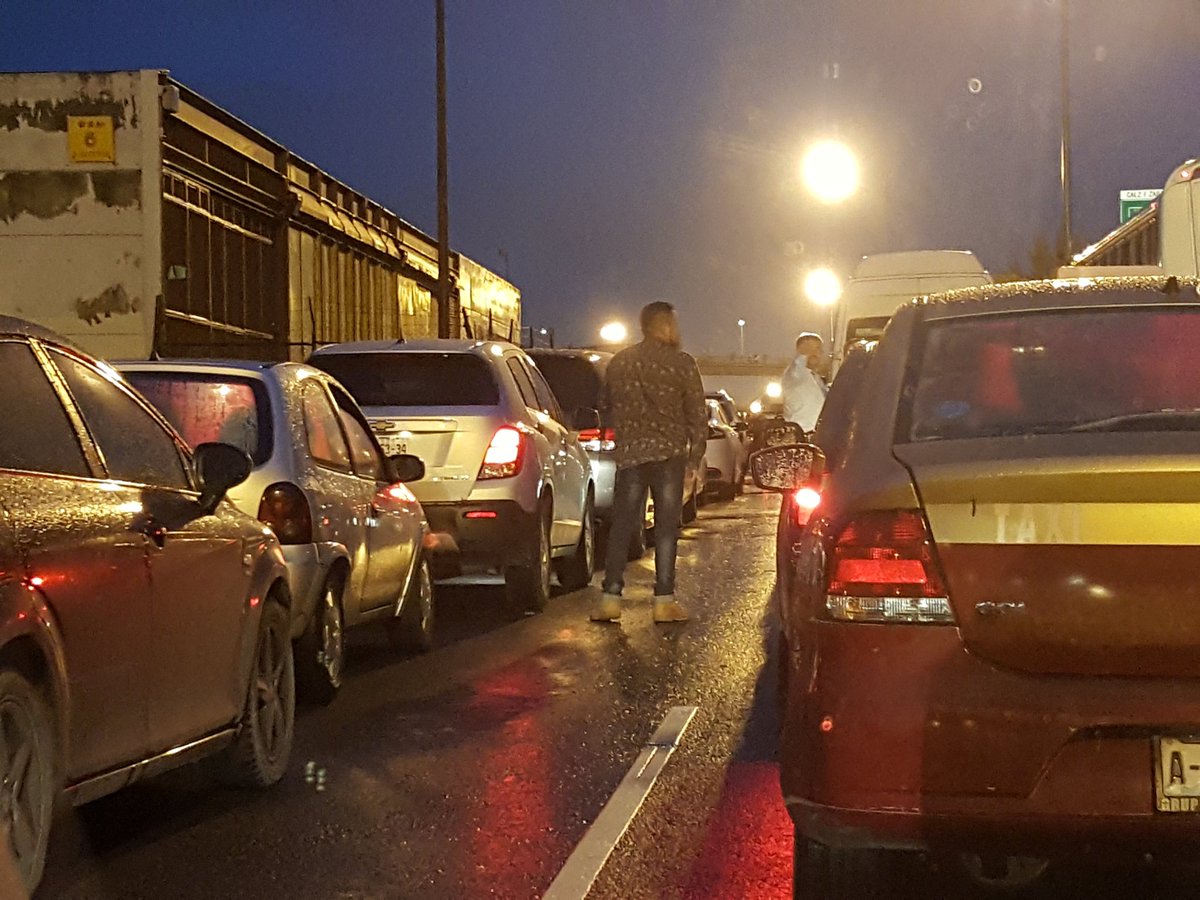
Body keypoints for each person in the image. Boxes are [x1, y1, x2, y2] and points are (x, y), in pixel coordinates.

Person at [592, 301, 707, 624]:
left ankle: (610, 598)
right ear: (665, 325)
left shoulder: (620, 362)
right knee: (666, 529)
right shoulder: (682, 364)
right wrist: (694, 457)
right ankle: (663, 601)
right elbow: (697, 413)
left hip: (630, 455)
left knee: (622, 527)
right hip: (669, 456)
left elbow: (604, 404)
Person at [780, 332, 828, 434]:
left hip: (819, 434)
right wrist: (804, 353)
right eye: (813, 349)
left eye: (819, 349)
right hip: (801, 434)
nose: (817, 353)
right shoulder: (795, 373)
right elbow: (799, 362)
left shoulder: (815, 378)